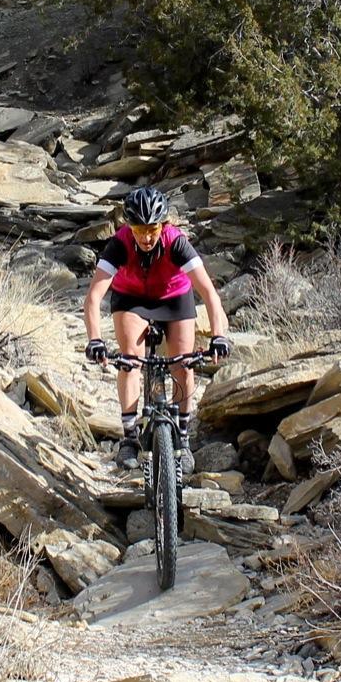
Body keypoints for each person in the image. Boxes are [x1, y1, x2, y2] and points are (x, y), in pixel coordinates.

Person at [83, 185, 231, 473]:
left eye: (152, 229)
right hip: (131, 299)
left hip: (174, 297)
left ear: (163, 225)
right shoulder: (120, 244)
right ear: (129, 226)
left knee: (184, 363)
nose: (147, 237)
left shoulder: (176, 243)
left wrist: (218, 335)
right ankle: (130, 439)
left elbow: (210, 294)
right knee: (130, 361)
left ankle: (183, 439)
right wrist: (95, 340)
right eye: (139, 230)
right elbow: (93, 297)